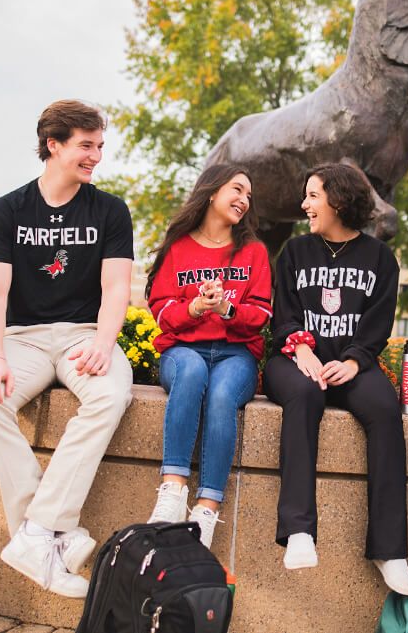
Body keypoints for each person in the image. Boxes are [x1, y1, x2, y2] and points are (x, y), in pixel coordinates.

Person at [0, 100, 134, 598]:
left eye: (99, 146)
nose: (96, 156)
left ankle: (36, 534)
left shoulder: (109, 210)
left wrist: (105, 342)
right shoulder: (8, 210)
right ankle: (47, 534)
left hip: (85, 335)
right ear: (53, 145)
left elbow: (116, 288)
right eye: (86, 145)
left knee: (109, 395)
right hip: (24, 339)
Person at [263, 162, 408, 596]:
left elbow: (378, 322)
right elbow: (285, 314)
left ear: (339, 199)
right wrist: (302, 348)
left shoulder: (381, 259)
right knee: (305, 395)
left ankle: (390, 550)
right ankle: (298, 532)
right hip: (296, 361)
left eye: (313, 196)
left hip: (351, 365)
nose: (304, 205)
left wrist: (354, 360)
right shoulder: (294, 252)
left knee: (386, 411)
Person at [144, 164, 272, 548]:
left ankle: (207, 507)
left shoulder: (253, 252)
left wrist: (226, 312)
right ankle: (173, 488)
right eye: (237, 189)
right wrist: (197, 307)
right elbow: (161, 310)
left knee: (220, 395)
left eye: (248, 195)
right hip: (183, 351)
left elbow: (262, 315)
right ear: (212, 192)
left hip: (236, 354)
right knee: (193, 372)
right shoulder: (178, 246)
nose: (244, 200)